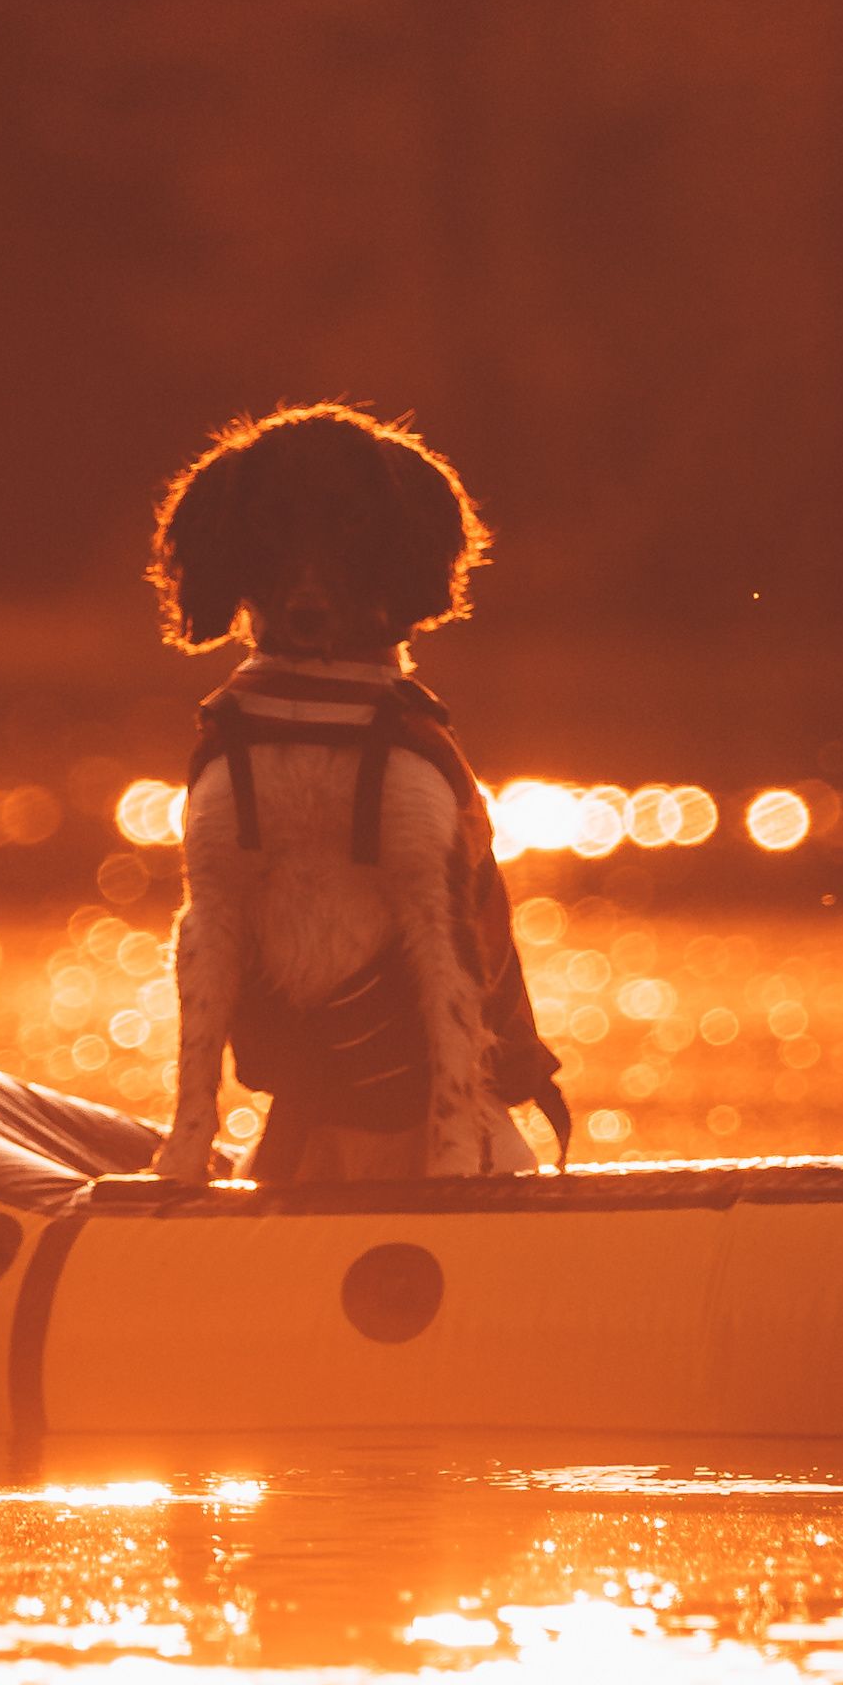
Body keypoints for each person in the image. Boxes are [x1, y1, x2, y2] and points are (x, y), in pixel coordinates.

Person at [145, 401, 571, 1193]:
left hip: (456, 1138)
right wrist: (187, 1157)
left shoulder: (406, 754)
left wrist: (454, 1165)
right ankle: (186, 1146)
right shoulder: (234, 751)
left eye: (344, 532)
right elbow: (211, 932)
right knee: (213, 918)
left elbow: (450, 956)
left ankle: (454, 1153)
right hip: (302, 1131)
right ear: (241, 546)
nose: (309, 584)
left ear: (385, 544)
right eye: (277, 534)